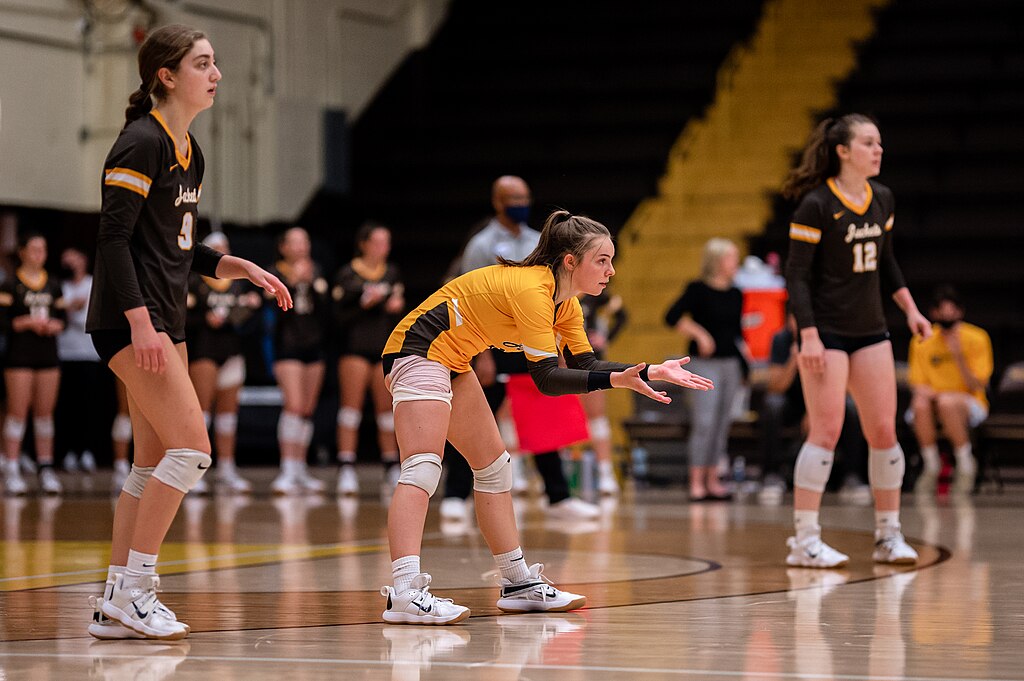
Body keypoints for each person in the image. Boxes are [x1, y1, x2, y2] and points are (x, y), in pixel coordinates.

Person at [378, 209, 713, 624]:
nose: (611, 270)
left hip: (454, 359)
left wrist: (647, 371)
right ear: (570, 261)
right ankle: (405, 592)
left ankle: (518, 584)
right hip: (416, 349)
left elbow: (587, 363)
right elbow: (547, 378)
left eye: (611, 260)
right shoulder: (533, 291)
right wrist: (619, 382)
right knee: (424, 466)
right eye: (602, 260)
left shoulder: (565, 304)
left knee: (495, 469)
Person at [84, 24, 291, 641]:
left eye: (215, 63)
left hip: (162, 320)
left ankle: (116, 599)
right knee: (193, 450)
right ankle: (139, 590)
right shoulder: (140, 142)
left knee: (151, 463)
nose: (217, 74)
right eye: (204, 63)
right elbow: (113, 240)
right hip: (131, 322)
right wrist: (140, 323)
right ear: (166, 76)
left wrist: (236, 266)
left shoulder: (189, 150)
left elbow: (172, 246)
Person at [781, 113, 931, 568]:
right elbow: (797, 276)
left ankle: (888, 536)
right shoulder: (816, 204)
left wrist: (911, 309)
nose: (878, 150)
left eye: (879, 143)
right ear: (843, 151)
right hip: (825, 332)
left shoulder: (882, 198)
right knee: (825, 431)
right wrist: (807, 334)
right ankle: (805, 541)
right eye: (868, 143)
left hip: (871, 331)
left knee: (884, 431)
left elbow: (887, 265)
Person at [440, 175, 601, 523]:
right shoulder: (481, 245)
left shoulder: (536, 240)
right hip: (489, 342)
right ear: (498, 202)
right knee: (473, 418)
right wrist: (478, 355)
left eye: (525, 196)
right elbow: (462, 302)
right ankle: (454, 493)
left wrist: (556, 345)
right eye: (513, 197)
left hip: (530, 341)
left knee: (544, 416)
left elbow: (554, 297)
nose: (521, 202)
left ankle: (558, 497)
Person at [664, 238, 748, 501]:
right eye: (731, 258)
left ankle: (713, 479)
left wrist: (746, 362)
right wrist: (700, 334)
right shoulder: (697, 289)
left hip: (730, 363)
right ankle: (696, 481)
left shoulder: (736, 293)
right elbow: (671, 317)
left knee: (722, 423)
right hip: (704, 364)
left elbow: (737, 332)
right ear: (717, 261)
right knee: (704, 422)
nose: (736, 263)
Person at [758, 313, 871, 506]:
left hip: (823, 398)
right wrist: (794, 361)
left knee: (851, 407)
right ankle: (772, 476)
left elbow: (844, 384)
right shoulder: (781, 339)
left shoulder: (828, 338)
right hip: (792, 402)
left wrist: (815, 411)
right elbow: (775, 386)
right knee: (772, 405)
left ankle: (852, 477)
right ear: (788, 321)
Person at [185, 231, 262, 493]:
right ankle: (196, 471)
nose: (223, 251)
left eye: (226, 246)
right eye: (217, 247)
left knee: (228, 417)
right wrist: (203, 319)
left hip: (232, 352)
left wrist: (249, 308)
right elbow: (185, 317)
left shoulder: (238, 283)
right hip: (204, 353)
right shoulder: (195, 282)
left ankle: (227, 469)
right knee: (202, 414)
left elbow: (245, 321)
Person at [332, 222, 404, 495]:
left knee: (386, 412)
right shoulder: (348, 274)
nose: (383, 248)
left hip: (383, 349)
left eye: (386, 242)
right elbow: (337, 317)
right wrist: (364, 304)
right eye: (377, 242)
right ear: (363, 244)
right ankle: (347, 467)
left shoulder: (392, 273)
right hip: (354, 350)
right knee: (350, 411)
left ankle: (390, 465)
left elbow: (397, 311)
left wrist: (394, 306)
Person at [908, 285, 992, 496]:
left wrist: (958, 355)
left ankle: (965, 463)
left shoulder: (976, 337)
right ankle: (931, 464)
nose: (947, 315)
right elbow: (917, 383)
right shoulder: (922, 340)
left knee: (947, 402)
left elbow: (978, 385)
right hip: (932, 400)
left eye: (951, 310)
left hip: (969, 401)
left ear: (959, 312)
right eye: (941, 311)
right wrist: (928, 392)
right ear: (933, 313)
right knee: (920, 403)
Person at [0, 232, 66, 495]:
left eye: (43, 249)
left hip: (47, 355)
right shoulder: (10, 284)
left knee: (45, 414)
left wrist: (52, 325)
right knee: (17, 412)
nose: (40, 254)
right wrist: (25, 322)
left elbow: (61, 318)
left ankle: (46, 468)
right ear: (23, 252)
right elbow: (4, 321)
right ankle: (12, 468)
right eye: (35, 248)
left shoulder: (53, 284)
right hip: (19, 356)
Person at [267, 227, 329, 495]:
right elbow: (270, 312)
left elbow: (328, 311)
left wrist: (312, 285)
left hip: (313, 347)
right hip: (287, 346)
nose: (302, 247)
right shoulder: (275, 272)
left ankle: (301, 468)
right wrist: (291, 283)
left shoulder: (316, 270)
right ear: (283, 247)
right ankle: (287, 468)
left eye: (305, 241)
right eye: (295, 242)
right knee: (293, 405)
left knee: (307, 409)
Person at [56, 246, 104, 477]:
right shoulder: (60, 287)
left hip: (88, 354)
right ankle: (66, 453)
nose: (70, 263)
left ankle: (86, 451)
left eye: (73, 258)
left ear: (83, 260)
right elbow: (56, 316)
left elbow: (91, 319)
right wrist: (68, 309)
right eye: (66, 260)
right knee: (66, 406)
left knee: (88, 405)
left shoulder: (92, 284)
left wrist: (73, 309)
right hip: (65, 353)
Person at [579, 288, 628, 495]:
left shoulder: (596, 294)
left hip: (590, 361)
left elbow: (622, 316)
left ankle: (605, 474)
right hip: (558, 363)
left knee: (597, 418)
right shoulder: (554, 292)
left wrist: (604, 337)